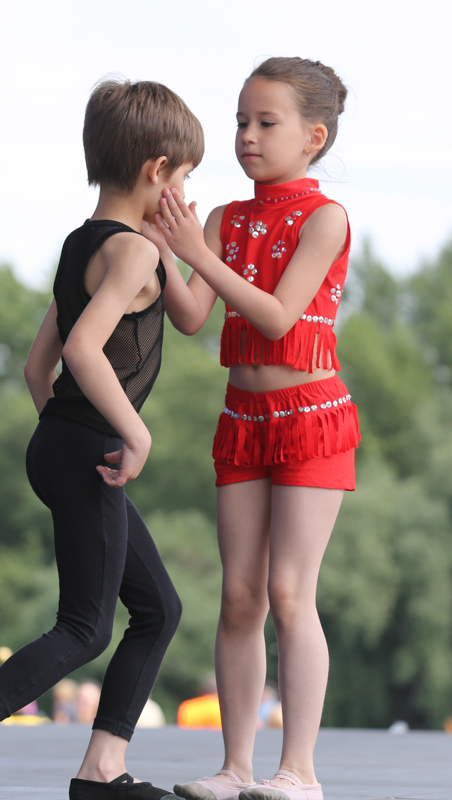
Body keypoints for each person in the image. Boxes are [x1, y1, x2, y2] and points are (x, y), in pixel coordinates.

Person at [0, 77, 201, 800]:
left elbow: (38, 367)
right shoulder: (133, 255)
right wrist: (133, 433)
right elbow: (82, 351)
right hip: (90, 448)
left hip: (60, 441)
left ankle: (101, 770)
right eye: (184, 178)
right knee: (85, 627)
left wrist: (63, 436)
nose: (184, 195)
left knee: (157, 609)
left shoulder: (82, 244)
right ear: (157, 171)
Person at [150, 57, 355, 800]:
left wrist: (196, 254)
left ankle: (299, 770)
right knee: (240, 597)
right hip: (243, 420)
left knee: (290, 593)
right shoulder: (221, 220)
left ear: (313, 137)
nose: (247, 135)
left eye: (267, 122)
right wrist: (163, 246)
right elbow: (191, 316)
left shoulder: (325, 218)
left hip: (310, 422)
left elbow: (275, 317)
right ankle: (235, 767)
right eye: (241, 120)